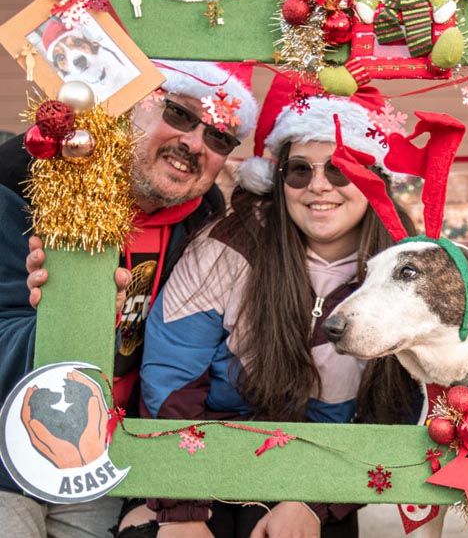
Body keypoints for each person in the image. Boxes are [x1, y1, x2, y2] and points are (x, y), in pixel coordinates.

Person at [117, 74, 420, 538]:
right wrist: (183, 510)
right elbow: (172, 378)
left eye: (342, 168)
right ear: (278, 179)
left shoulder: (407, 269)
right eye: (300, 170)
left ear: (374, 178)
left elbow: (396, 408)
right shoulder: (228, 245)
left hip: (322, 469)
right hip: (199, 459)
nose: (319, 186)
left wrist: (313, 503)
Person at [0, 60, 259, 538]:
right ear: (129, 108)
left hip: (107, 460)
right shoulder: (19, 192)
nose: (195, 143)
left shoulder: (205, 231)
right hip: (7, 451)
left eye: (219, 137)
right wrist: (63, 318)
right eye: (179, 114)